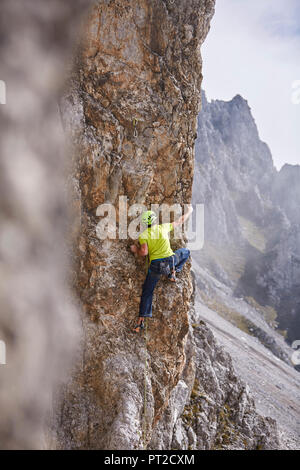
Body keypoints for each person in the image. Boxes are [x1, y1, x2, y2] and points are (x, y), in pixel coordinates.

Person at [130, 207, 193, 332]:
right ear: (154, 221)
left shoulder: (144, 235)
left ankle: (140, 322)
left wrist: (135, 250)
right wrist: (189, 211)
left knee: (147, 292)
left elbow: (144, 252)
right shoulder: (162, 227)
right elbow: (180, 221)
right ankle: (173, 273)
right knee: (185, 252)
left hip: (156, 266)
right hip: (169, 262)